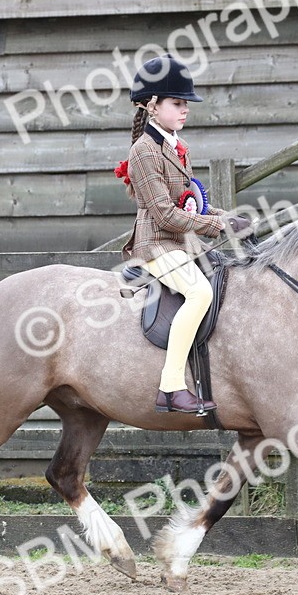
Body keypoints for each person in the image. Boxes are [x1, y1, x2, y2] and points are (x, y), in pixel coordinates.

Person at [114, 55, 250, 414]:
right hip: (156, 245)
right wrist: (217, 227)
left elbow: (191, 203)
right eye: (177, 103)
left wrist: (228, 218)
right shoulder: (143, 151)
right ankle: (171, 387)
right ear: (152, 106)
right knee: (200, 292)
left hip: (182, 243)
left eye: (185, 103)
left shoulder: (176, 145)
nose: (185, 109)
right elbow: (165, 214)